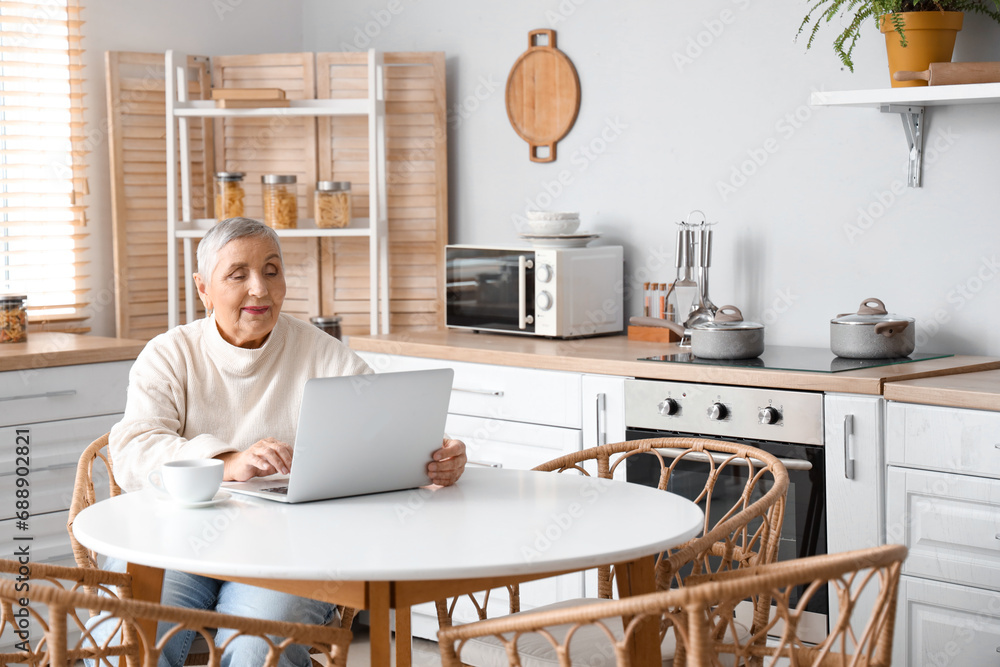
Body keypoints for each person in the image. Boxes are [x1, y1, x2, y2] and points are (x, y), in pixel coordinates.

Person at [95, 217, 467, 667]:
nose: (260, 289)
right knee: (134, 634)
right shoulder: (170, 353)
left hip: (287, 554)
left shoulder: (319, 351)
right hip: (174, 543)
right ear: (202, 288)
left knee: (258, 651)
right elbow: (133, 447)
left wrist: (436, 456)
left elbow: (384, 429)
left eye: (272, 271)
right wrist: (227, 460)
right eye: (238, 274)